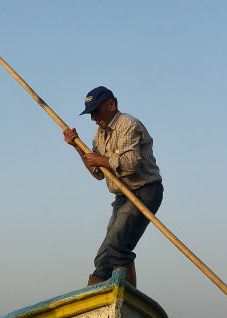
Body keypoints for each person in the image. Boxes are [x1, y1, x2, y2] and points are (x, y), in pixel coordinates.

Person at [62, 86, 163, 287]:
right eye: (90, 114)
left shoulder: (127, 124)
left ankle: (121, 297)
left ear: (111, 105)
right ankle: (104, 299)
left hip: (145, 192)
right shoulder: (100, 136)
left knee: (117, 246)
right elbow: (97, 172)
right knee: (105, 257)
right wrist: (77, 148)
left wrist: (101, 159)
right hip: (122, 197)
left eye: (96, 112)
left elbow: (130, 163)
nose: (93, 118)